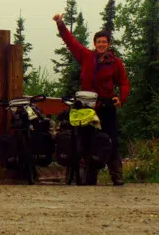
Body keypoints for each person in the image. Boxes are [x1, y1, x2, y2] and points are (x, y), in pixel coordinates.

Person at [53, 14, 130, 186]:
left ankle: (116, 175)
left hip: (106, 105)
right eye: (98, 42)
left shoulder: (115, 63)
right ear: (94, 44)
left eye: (104, 42)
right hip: (87, 106)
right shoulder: (86, 56)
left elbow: (124, 82)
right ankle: (88, 176)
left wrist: (121, 98)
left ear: (108, 44)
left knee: (111, 140)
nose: (101, 44)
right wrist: (60, 24)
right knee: (85, 138)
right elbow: (71, 42)